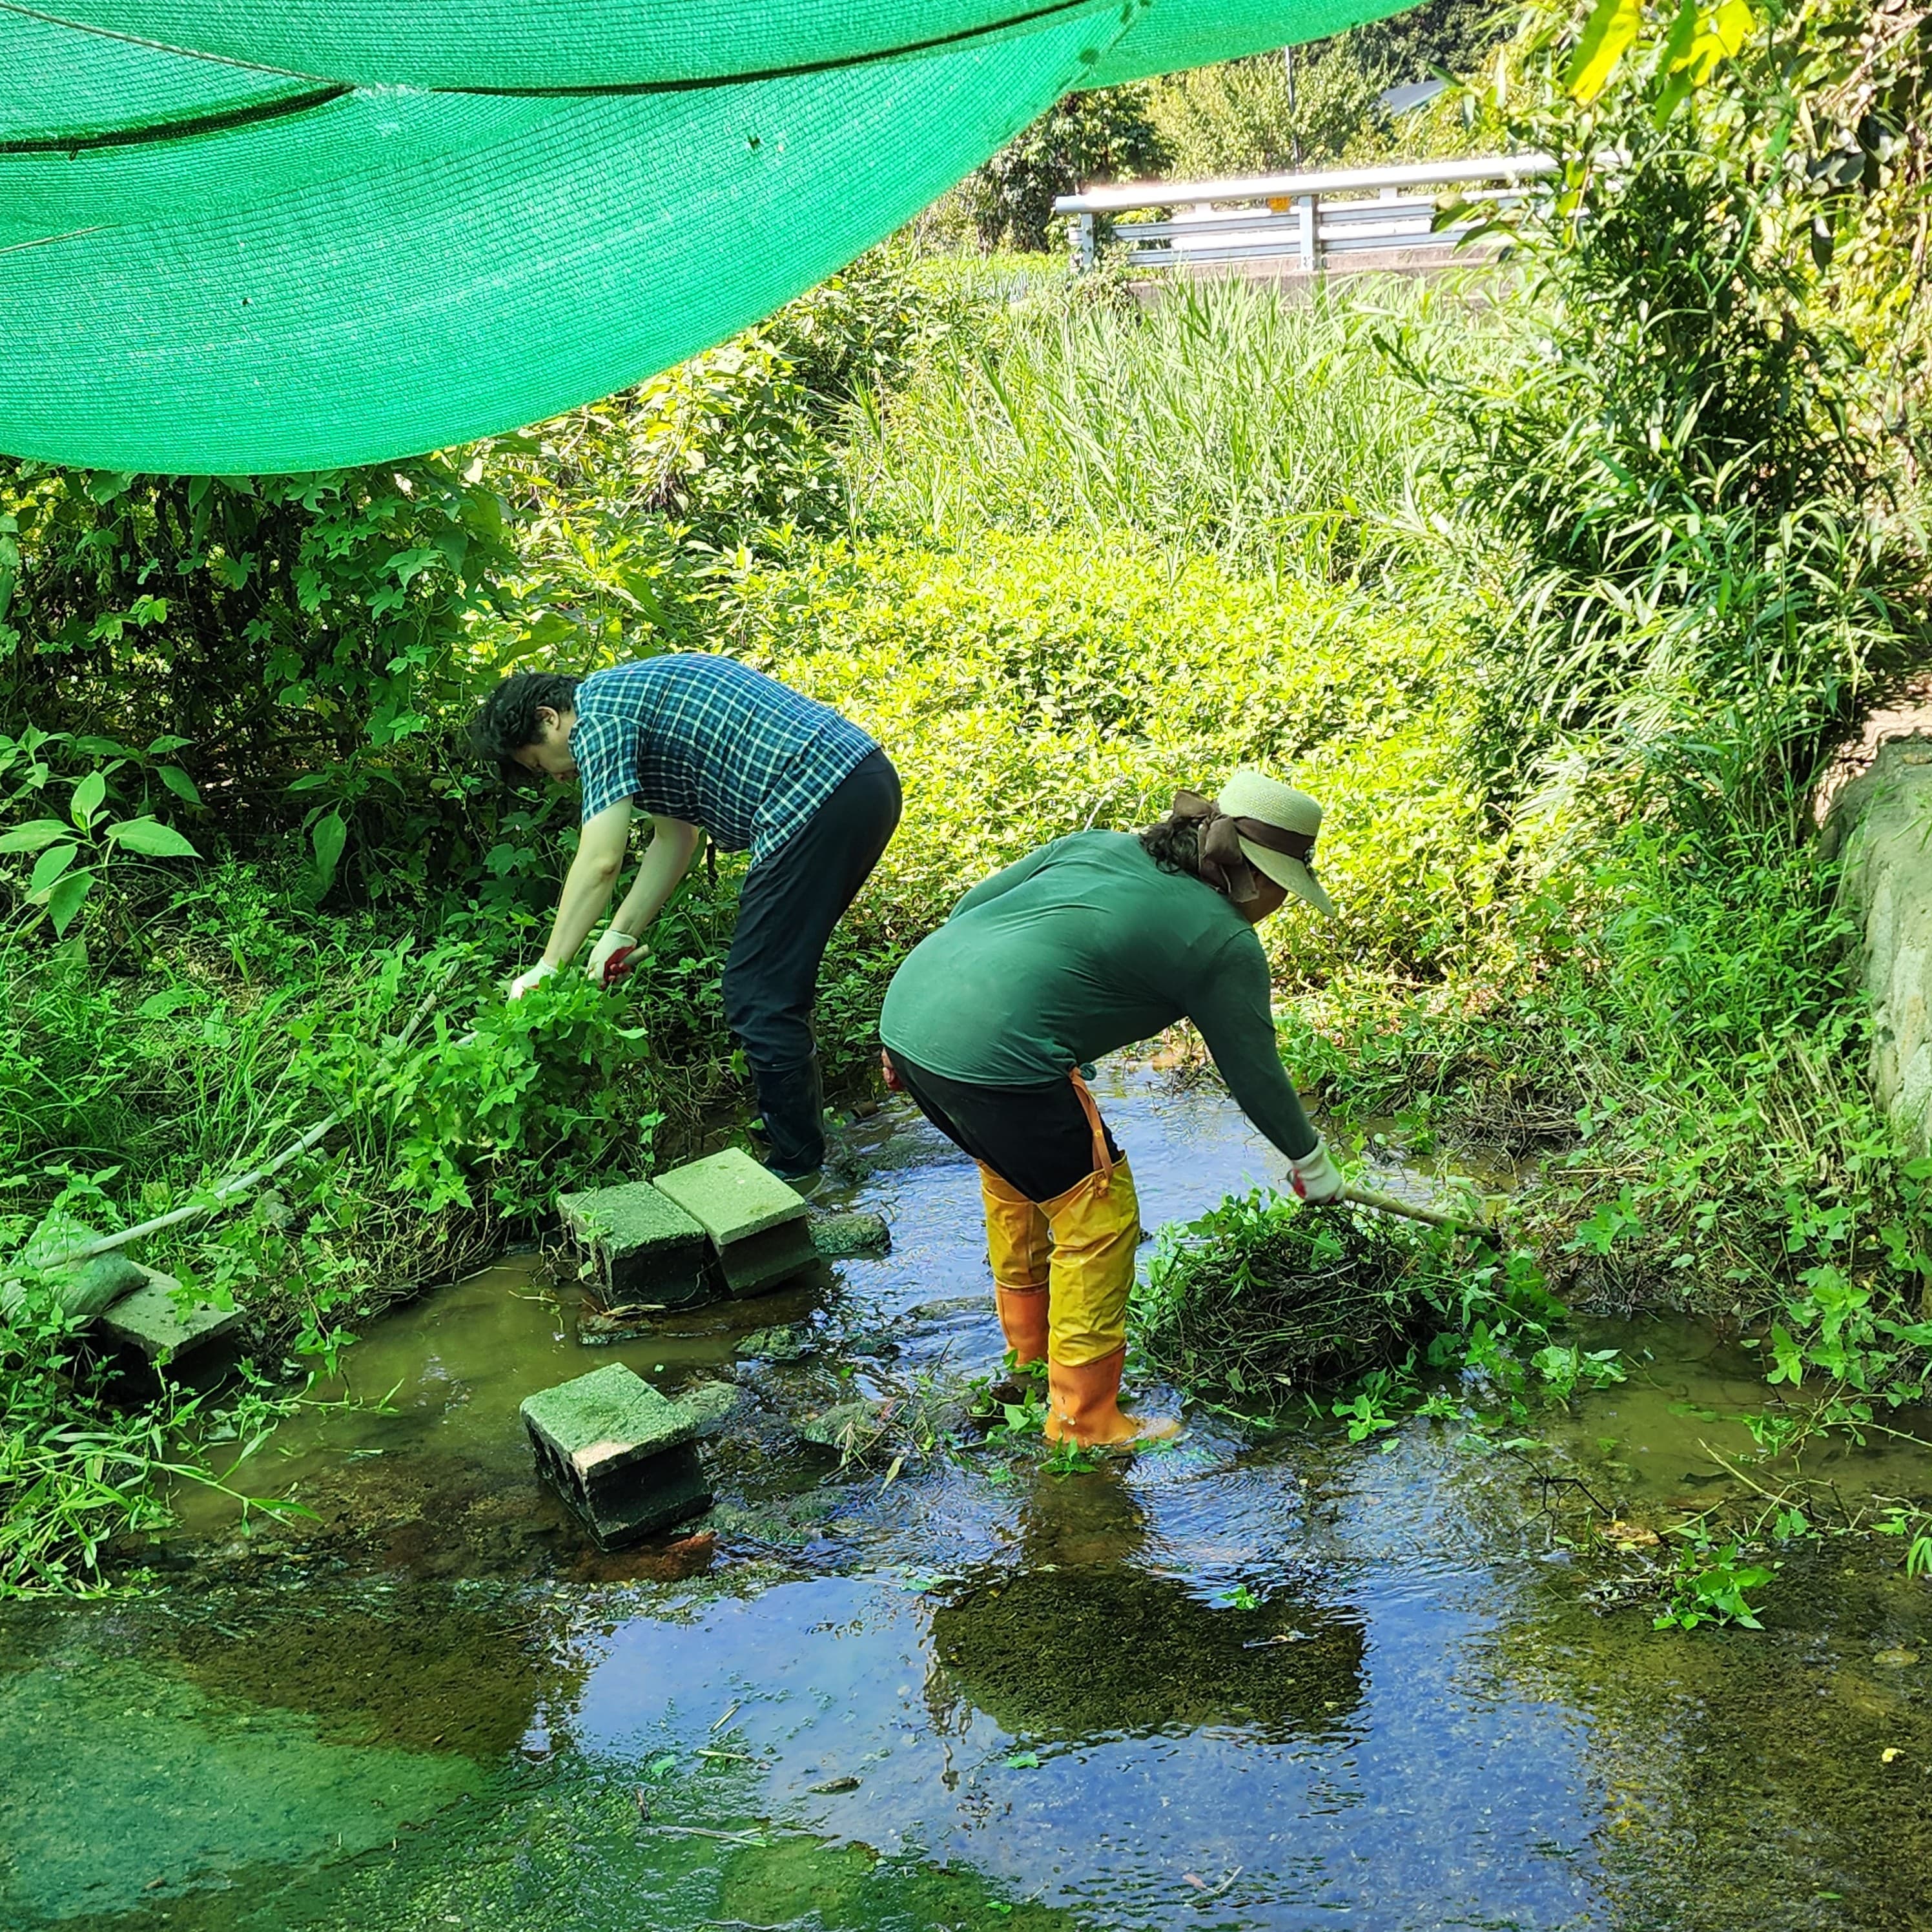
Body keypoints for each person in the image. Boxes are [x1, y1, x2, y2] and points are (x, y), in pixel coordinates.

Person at [878, 769, 1344, 1449]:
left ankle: (1030, 1363)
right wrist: (1309, 1159)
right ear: (1254, 876)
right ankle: (1085, 1421)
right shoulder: (1222, 941)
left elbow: (971, 910)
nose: (1281, 904)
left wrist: (930, 1027)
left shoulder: (1097, 845)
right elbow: (1253, 1071)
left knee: (1020, 1182)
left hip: (909, 1021)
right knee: (1097, 1214)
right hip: (998, 1059)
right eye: (1284, 888)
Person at [473, 653, 899, 1180]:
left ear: (548, 718)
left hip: (814, 793)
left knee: (758, 994)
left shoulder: (598, 717)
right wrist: (620, 933)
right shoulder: (630, 705)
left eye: (541, 763)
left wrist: (548, 966)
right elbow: (676, 837)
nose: (559, 777)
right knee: (771, 987)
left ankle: (799, 1169)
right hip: (859, 780)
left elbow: (601, 860)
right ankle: (802, 1141)